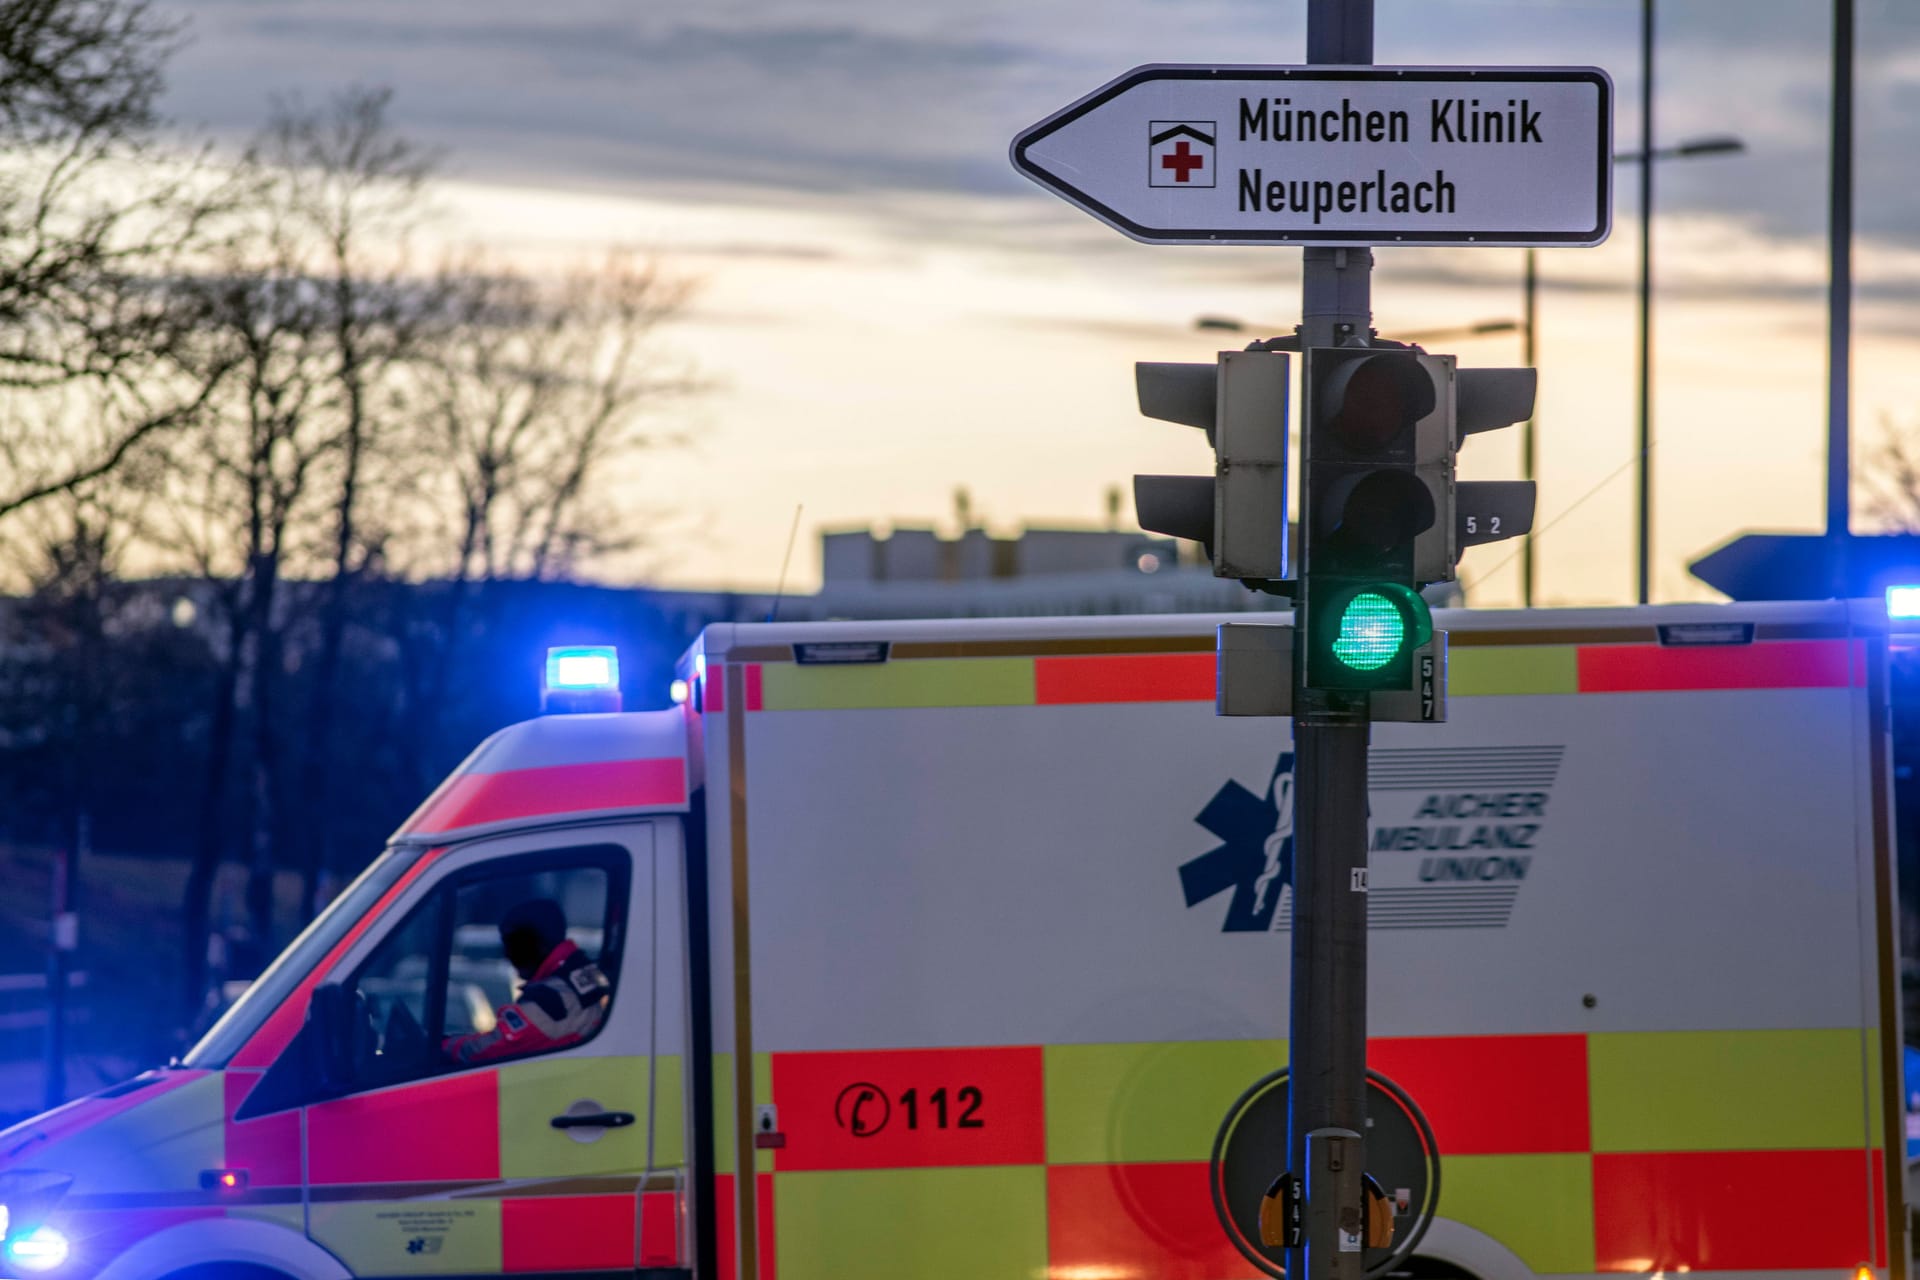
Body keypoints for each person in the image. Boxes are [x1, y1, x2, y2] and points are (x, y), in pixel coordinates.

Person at [444, 898, 611, 1065]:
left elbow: (485, 1050)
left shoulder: (550, 1001)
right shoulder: (586, 974)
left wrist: (444, 1045)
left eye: (515, 945)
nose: (508, 955)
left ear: (540, 943)